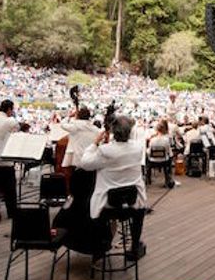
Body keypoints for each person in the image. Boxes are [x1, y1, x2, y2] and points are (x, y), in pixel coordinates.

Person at [80, 115, 148, 260]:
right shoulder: (138, 148)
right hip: (133, 203)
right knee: (139, 213)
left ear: (113, 131)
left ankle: (101, 247)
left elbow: (85, 163)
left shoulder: (105, 151)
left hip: (107, 207)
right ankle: (135, 246)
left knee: (90, 206)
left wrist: (94, 144)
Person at [61, 106, 100, 192]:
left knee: (76, 184)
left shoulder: (74, 127)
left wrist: (69, 116)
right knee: (89, 184)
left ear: (78, 116)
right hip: (90, 159)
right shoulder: (95, 130)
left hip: (77, 159)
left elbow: (62, 124)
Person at [147, 119, 174, 188]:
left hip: (153, 161)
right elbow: (168, 152)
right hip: (164, 161)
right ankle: (168, 177)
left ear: (156, 130)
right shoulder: (166, 140)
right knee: (170, 157)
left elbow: (149, 152)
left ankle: (148, 179)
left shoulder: (152, 140)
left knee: (147, 158)